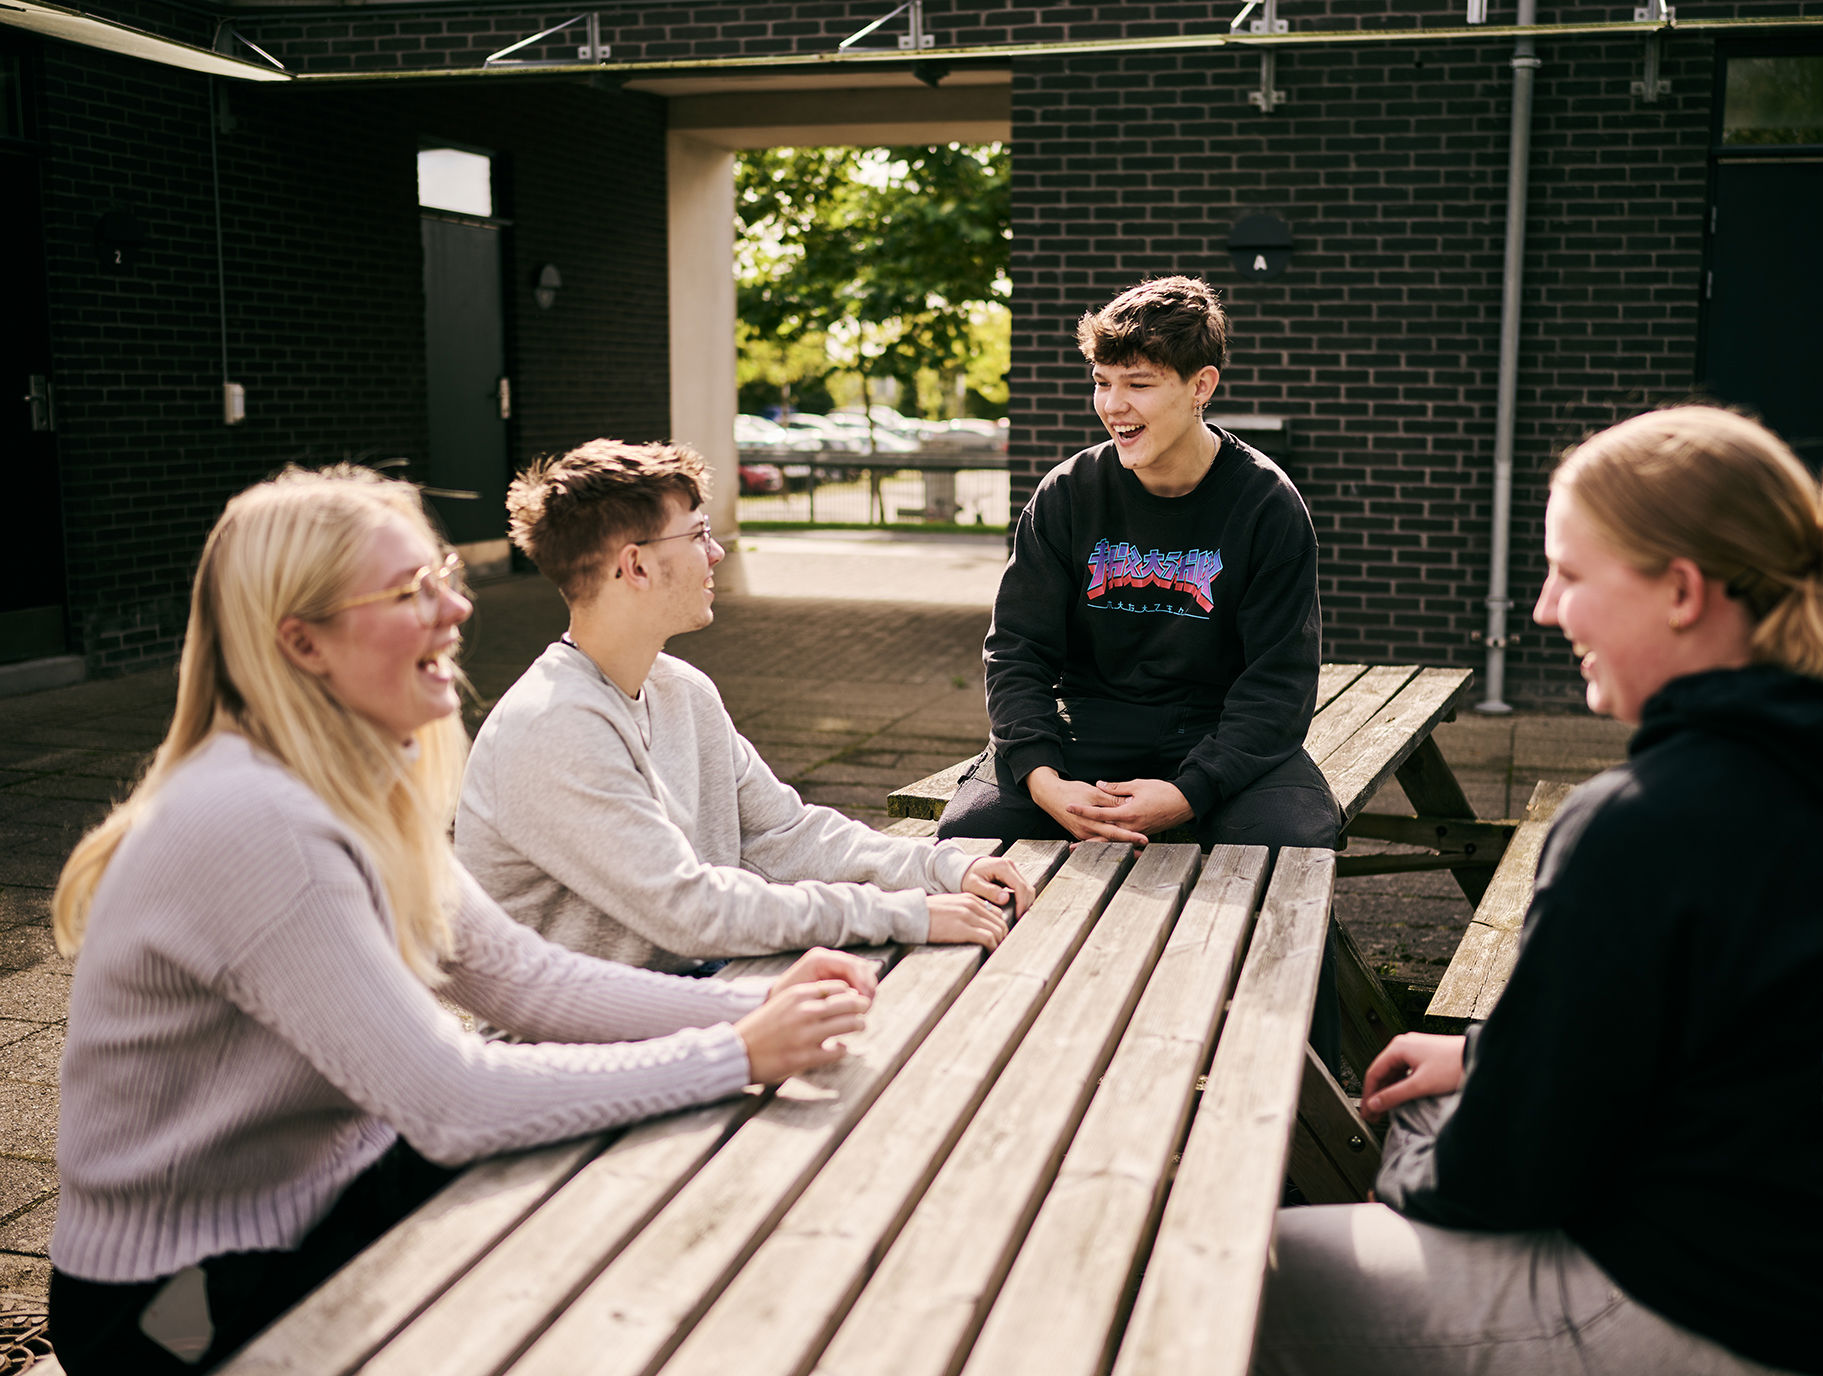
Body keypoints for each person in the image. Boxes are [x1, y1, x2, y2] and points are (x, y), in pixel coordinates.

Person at [45, 467, 878, 1375]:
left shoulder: (353, 779)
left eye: (442, 575)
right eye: (411, 593)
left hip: (329, 1203)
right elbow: (452, 1100)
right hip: (179, 1302)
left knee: (651, 1204)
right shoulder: (258, 820)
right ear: (304, 643)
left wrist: (743, 1016)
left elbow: (524, 977)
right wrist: (739, 1053)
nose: (456, 610)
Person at [1256, 406, 1823, 1376]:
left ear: (1683, 590)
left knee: (1243, 1273)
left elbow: (1501, 1178)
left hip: (1747, 1319)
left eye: (1570, 573)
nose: (1541, 607)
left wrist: (1408, 1164)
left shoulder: (1644, 818)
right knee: (1437, 1098)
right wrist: (1494, 1054)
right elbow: (1751, 1015)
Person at [456, 439, 1031, 975]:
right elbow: (693, 910)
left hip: (697, 989)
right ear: (635, 566)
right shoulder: (553, 726)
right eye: (697, 534)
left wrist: (940, 868)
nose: (718, 551)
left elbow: (784, 833)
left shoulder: (682, 689)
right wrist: (908, 913)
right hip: (581, 1050)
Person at [937, 275, 1340, 850]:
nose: (1113, 405)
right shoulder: (1068, 494)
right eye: (1102, 382)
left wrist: (1189, 793)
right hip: (1084, 728)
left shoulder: (1266, 505)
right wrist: (1043, 778)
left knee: (1286, 845)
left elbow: (1279, 682)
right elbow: (1016, 650)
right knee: (974, 838)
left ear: (1201, 385)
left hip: (1216, 732)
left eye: (1139, 384)